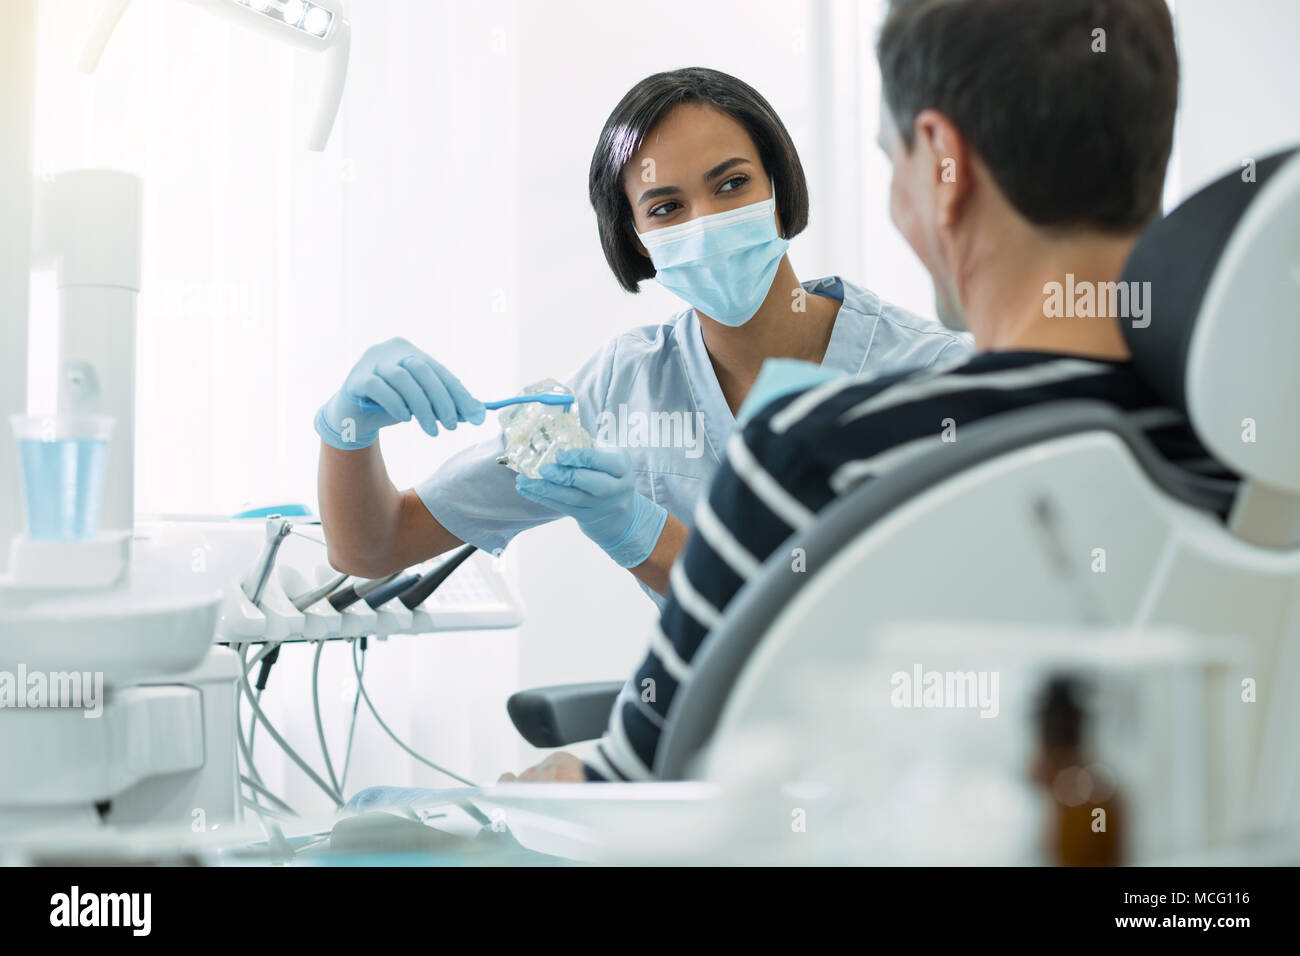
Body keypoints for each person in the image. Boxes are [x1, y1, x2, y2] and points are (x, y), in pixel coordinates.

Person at [523, 0, 1237, 784]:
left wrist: (544, 787)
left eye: (893, 160)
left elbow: (640, 791)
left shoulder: (810, 456)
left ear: (942, 163)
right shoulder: (1250, 443)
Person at [315, 68, 968, 607]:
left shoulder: (932, 377)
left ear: (780, 187)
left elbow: (835, 617)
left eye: (732, 184)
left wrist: (639, 531)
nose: (705, 222)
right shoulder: (623, 387)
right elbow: (372, 548)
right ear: (636, 239)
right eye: (666, 208)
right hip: (704, 748)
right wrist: (347, 428)